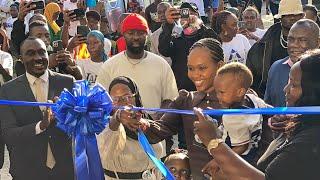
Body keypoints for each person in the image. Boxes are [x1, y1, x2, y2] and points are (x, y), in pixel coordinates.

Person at [194, 49, 320, 180]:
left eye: (293, 85)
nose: (285, 89)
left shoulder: (312, 141)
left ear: (314, 91)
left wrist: (213, 142)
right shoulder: (301, 124)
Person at [118, 38, 224, 179]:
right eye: (191, 68)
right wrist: (139, 122)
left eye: (202, 68)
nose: (195, 74)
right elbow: (159, 130)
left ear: (220, 66)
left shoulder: (242, 101)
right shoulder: (186, 100)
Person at [0, 37, 74, 180]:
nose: (38, 58)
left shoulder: (67, 82)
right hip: (26, 171)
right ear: (20, 59)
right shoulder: (8, 90)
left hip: (65, 171)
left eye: (42, 52)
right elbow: (8, 134)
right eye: (31, 53)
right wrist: (41, 126)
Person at [96, 13, 178, 112]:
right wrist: (119, 117)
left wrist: (157, 121)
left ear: (147, 35)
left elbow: (170, 99)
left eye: (140, 33)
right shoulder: (109, 66)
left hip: (153, 125)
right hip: (119, 126)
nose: (136, 37)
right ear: (123, 35)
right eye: (130, 33)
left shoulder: (161, 64)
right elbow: (99, 101)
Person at [97, 76, 164, 180]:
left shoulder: (147, 123)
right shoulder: (105, 127)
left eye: (126, 97)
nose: (121, 103)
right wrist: (118, 117)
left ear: (135, 97)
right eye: (115, 99)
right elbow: (106, 147)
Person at [246, 0, 304, 97]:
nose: (292, 17)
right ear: (280, 18)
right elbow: (252, 81)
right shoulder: (262, 46)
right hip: (271, 103)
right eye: (288, 14)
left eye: (296, 14)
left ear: (302, 17)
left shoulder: (313, 41)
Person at [214, 62, 268, 165]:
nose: (218, 96)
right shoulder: (253, 99)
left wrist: (218, 162)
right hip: (253, 153)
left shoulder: (233, 116)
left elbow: (241, 147)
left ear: (240, 92)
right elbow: (268, 109)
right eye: (216, 92)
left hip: (236, 158)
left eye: (221, 92)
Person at [159, 2, 218, 91]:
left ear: (198, 16)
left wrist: (199, 26)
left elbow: (216, 45)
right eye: (184, 14)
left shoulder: (205, 33)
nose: (189, 17)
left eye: (192, 13)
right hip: (183, 90)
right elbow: (164, 50)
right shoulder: (176, 36)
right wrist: (169, 25)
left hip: (205, 88)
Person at [264, 19, 320, 107]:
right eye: (290, 39)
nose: (294, 44)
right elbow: (268, 107)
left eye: (302, 40)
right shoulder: (276, 68)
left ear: (318, 42)